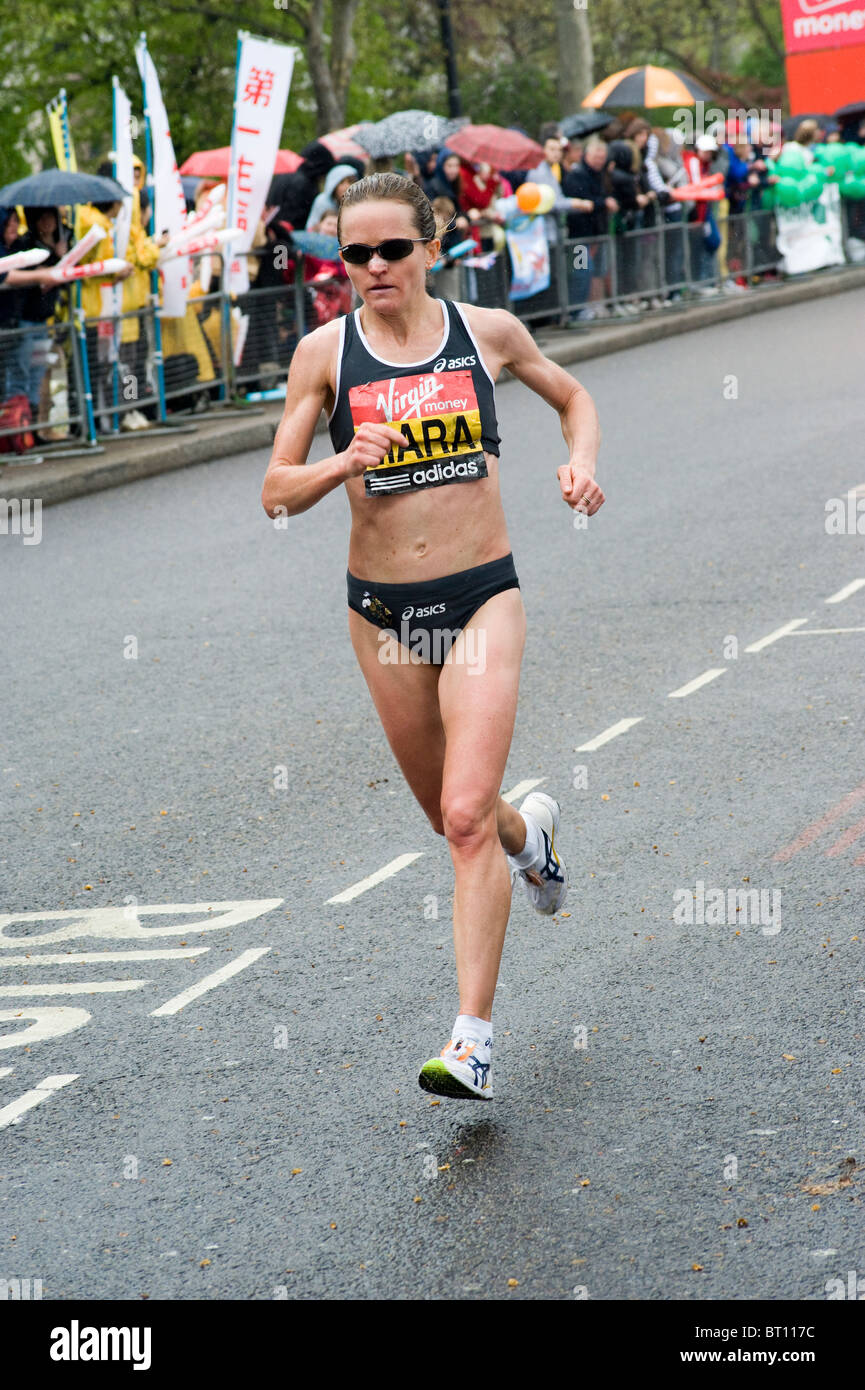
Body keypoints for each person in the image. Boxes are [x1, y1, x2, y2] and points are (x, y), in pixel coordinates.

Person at [261, 172, 604, 1101]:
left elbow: (571, 397)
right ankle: (531, 839)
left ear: (429, 249)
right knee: (465, 821)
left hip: (482, 596)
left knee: (460, 819)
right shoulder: (323, 355)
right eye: (354, 254)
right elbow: (274, 493)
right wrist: (340, 461)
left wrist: (578, 464)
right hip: (381, 617)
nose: (372, 267)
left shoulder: (485, 334)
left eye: (391, 250)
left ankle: (472, 1041)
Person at [562, 135, 617, 319]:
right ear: (587, 155)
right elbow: (582, 200)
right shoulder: (577, 175)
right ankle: (577, 310)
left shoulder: (600, 175)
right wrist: (603, 203)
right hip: (580, 236)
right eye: (596, 157)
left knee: (597, 271)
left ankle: (594, 306)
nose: (599, 161)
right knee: (581, 272)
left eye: (602, 158)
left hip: (597, 234)